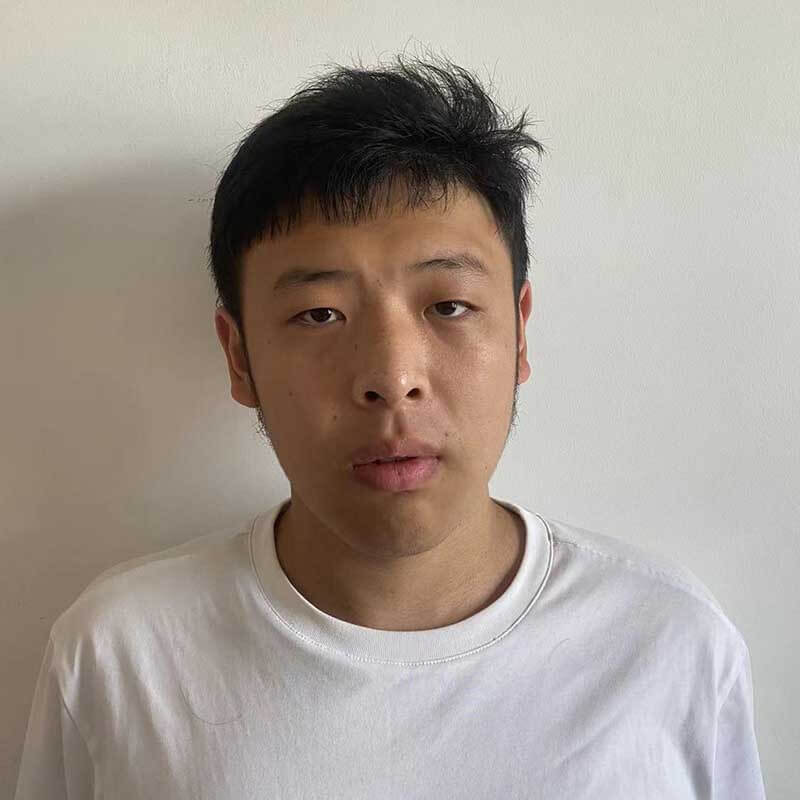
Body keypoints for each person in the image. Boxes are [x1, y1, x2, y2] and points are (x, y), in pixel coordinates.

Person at [15, 53, 766, 799]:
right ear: (239, 356)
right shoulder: (121, 656)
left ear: (520, 333)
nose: (392, 376)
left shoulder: (667, 645)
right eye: (319, 314)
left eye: (449, 306)